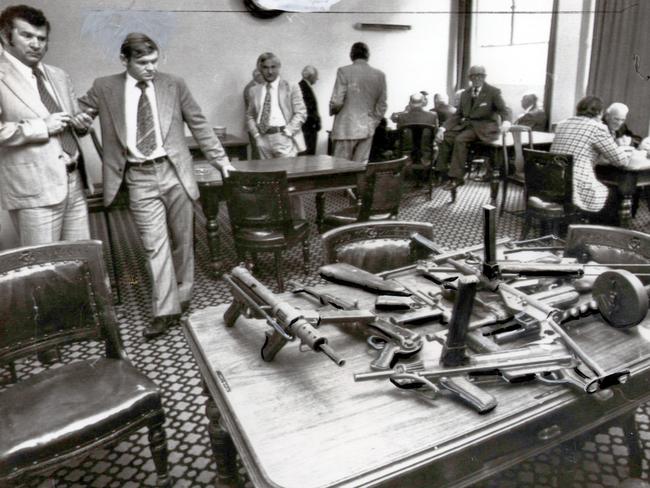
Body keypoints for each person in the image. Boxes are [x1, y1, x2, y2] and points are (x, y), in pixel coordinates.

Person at [75, 33, 234, 339]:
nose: (151, 67)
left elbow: (199, 123)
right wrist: (81, 119)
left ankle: (183, 293)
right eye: (143, 62)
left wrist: (220, 160)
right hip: (138, 176)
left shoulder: (174, 84)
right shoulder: (104, 87)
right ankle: (165, 309)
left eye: (154, 61)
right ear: (125, 60)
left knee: (182, 239)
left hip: (174, 171)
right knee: (154, 245)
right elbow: (79, 113)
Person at [0, 5, 90, 247]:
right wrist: (41, 127)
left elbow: (71, 121)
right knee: (45, 271)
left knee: (80, 265)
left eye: (41, 38)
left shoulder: (58, 75)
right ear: (5, 35)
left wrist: (81, 124)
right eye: (26, 35)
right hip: (34, 192)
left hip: (75, 182)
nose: (36, 44)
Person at [551, 95, 631, 223]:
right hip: (573, 185)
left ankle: (568, 224)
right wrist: (624, 149)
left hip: (552, 181)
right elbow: (621, 161)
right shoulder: (597, 127)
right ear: (600, 113)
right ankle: (597, 234)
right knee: (615, 193)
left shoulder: (561, 124)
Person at [435, 65, 511, 190]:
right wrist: (442, 128)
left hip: (485, 128)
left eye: (480, 76)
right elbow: (458, 115)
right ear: (469, 78)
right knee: (446, 137)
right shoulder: (465, 94)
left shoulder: (493, 92)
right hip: (468, 126)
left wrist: (507, 121)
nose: (476, 79)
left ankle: (457, 178)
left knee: (460, 139)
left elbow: (504, 110)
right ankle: (442, 173)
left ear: (484, 77)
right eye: (473, 76)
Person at [329, 41, 387, 163]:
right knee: (360, 168)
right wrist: (373, 122)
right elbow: (382, 105)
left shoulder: (343, 71)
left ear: (351, 55)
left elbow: (337, 101)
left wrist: (332, 110)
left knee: (340, 167)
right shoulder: (380, 75)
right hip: (367, 128)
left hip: (346, 128)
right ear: (368, 55)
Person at [246, 52, 306, 159]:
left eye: (273, 67)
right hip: (262, 139)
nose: (270, 72)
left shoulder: (291, 87)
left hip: (283, 138)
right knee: (266, 175)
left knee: (287, 173)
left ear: (279, 67)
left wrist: (288, 132)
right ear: (260, 69)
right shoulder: (254, 90)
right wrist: (256, 135)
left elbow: (301, 113)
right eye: (265, 68)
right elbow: (250, 116)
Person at [298, 65, 321, 155]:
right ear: (310, 76)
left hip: (307, 129)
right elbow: (308, 109)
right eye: (316, 76)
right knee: (307, 157)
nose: (317, 78)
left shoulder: (302, 86)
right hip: (308, 129)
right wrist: (316, 122)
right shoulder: (304, 87)